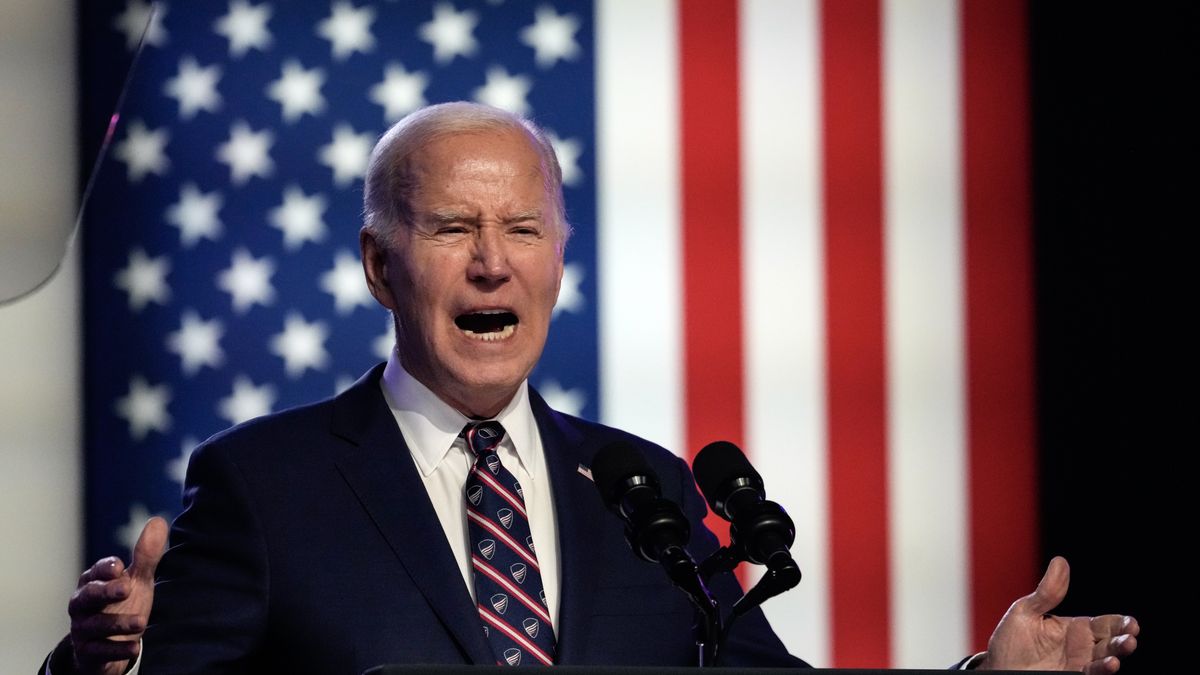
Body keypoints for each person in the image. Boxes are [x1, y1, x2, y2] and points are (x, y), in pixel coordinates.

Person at [45, 102, 1139, 674]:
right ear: (381, 264)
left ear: (559, 262)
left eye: (523, 229)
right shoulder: (262, 485)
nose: (492, 262)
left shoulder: (641, 491)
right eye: (453, 229)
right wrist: (108, 669)